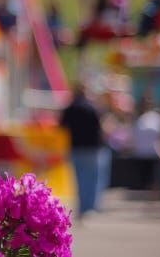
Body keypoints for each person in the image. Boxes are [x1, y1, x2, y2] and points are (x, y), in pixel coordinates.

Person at [60, 83, 105, 219]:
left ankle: (81, 208)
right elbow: (100, 128)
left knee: (79, 180)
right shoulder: (93, 108)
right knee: (92, 180)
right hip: (92, 149)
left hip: (75, 148)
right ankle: (89, 208)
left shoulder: (69, 109)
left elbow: (61, 127)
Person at [130, 97, 160, 193]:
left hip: (154, 153)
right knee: (142, 180)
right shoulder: (137, 119)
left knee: (155, 179)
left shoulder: (157, 118)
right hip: (140, 154)